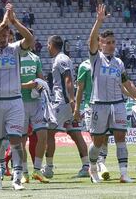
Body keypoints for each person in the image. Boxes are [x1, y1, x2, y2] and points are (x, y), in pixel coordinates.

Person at [88, 4, 136, 183]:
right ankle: (93, 168)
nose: (111, 45)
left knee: (121, 138)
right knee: (98, 141)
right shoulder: (95, 59)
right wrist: (98, 22)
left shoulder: (119, 63)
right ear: (100, 44)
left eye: (113, 42)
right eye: (107, 42)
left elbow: (126, 83)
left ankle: (124, 173)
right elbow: (90, 40)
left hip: (118, 103)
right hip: (99, 104)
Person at [0, 3, 34, 190]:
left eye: (6, 35)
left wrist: (13, 22)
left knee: (16, 140)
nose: (3, 38)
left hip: (14, 102)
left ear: (10, 36)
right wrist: (1, 24)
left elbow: (29, 38)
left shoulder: (16, 49)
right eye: (0, 35)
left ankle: (17, 178)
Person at [43, 35, 89, 179]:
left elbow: (68, 79)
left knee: (49, 132)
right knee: (75, 133)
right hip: (67, 103)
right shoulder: (62, 58)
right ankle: (86, 166)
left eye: (47, 45)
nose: (46, 47)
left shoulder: (60, 59)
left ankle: (48, 168)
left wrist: (71, 100)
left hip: (62, 103)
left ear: (52, 45)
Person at [19, 28, 49, 184]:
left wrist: (39, 86)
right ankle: (24, 172)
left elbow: (41, 79)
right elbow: (10, 84)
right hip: (20, 103)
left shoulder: (35, 58)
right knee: (21, 141)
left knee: (43, 135)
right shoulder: (14, 58)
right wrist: (27, 86)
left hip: (36, 103)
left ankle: (37, 170)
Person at [73, 59, 110, 181]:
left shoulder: (108, 64)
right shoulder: (84, 66)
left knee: (104, 137)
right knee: (96, 137)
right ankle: (97, 166)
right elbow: (80, 88)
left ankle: (101, 164)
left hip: (106, 104)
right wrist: (77, 108)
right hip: (91, 105)